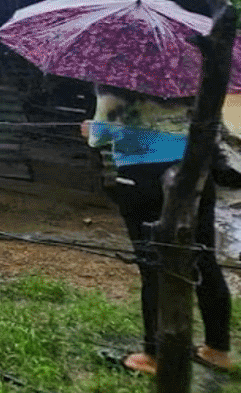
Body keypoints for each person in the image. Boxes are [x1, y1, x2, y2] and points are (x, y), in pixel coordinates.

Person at [83, 84, 232, 375]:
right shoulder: (194, 76)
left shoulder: (118, 77)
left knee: (154, 264)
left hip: (143, 176)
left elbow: (99, 137)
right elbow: (215, 129)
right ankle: (217, 349)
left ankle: (155, 355)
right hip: (194, 170)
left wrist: (89, 130)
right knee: (204, 258)